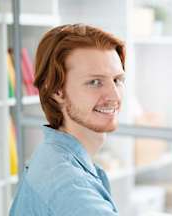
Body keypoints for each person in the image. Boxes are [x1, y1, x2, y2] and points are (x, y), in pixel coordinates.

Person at [9, 24, 126, 216]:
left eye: (117, 80)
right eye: (95, 82)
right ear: (56, 90)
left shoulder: (52, 155)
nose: (114, 95)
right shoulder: (70, 186)